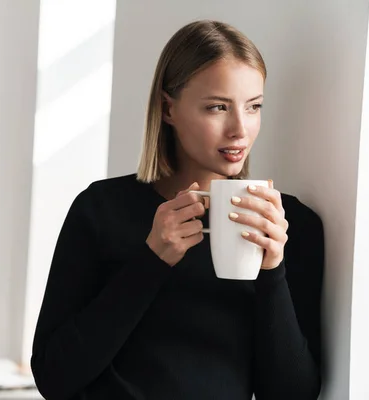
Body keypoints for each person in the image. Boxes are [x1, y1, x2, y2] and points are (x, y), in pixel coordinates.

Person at [30, 20, 323, 400]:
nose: (240, 129)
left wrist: (272, 271)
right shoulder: (100, 210)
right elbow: (54, 377)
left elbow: (292, 395)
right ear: (168, 109)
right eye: (217, 107)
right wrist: (150, 262)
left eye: (253, 107)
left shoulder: (288, 226)